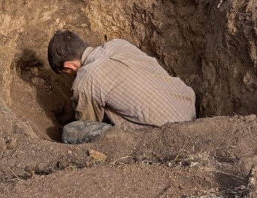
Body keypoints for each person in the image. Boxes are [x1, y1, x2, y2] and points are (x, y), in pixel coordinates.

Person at [47, 30, 196, 144]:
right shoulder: (119, 44)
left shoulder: (85, 80)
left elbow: (86, 125)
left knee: (69, 132)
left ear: (69, 66)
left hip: (166, 134)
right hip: (189, 111)